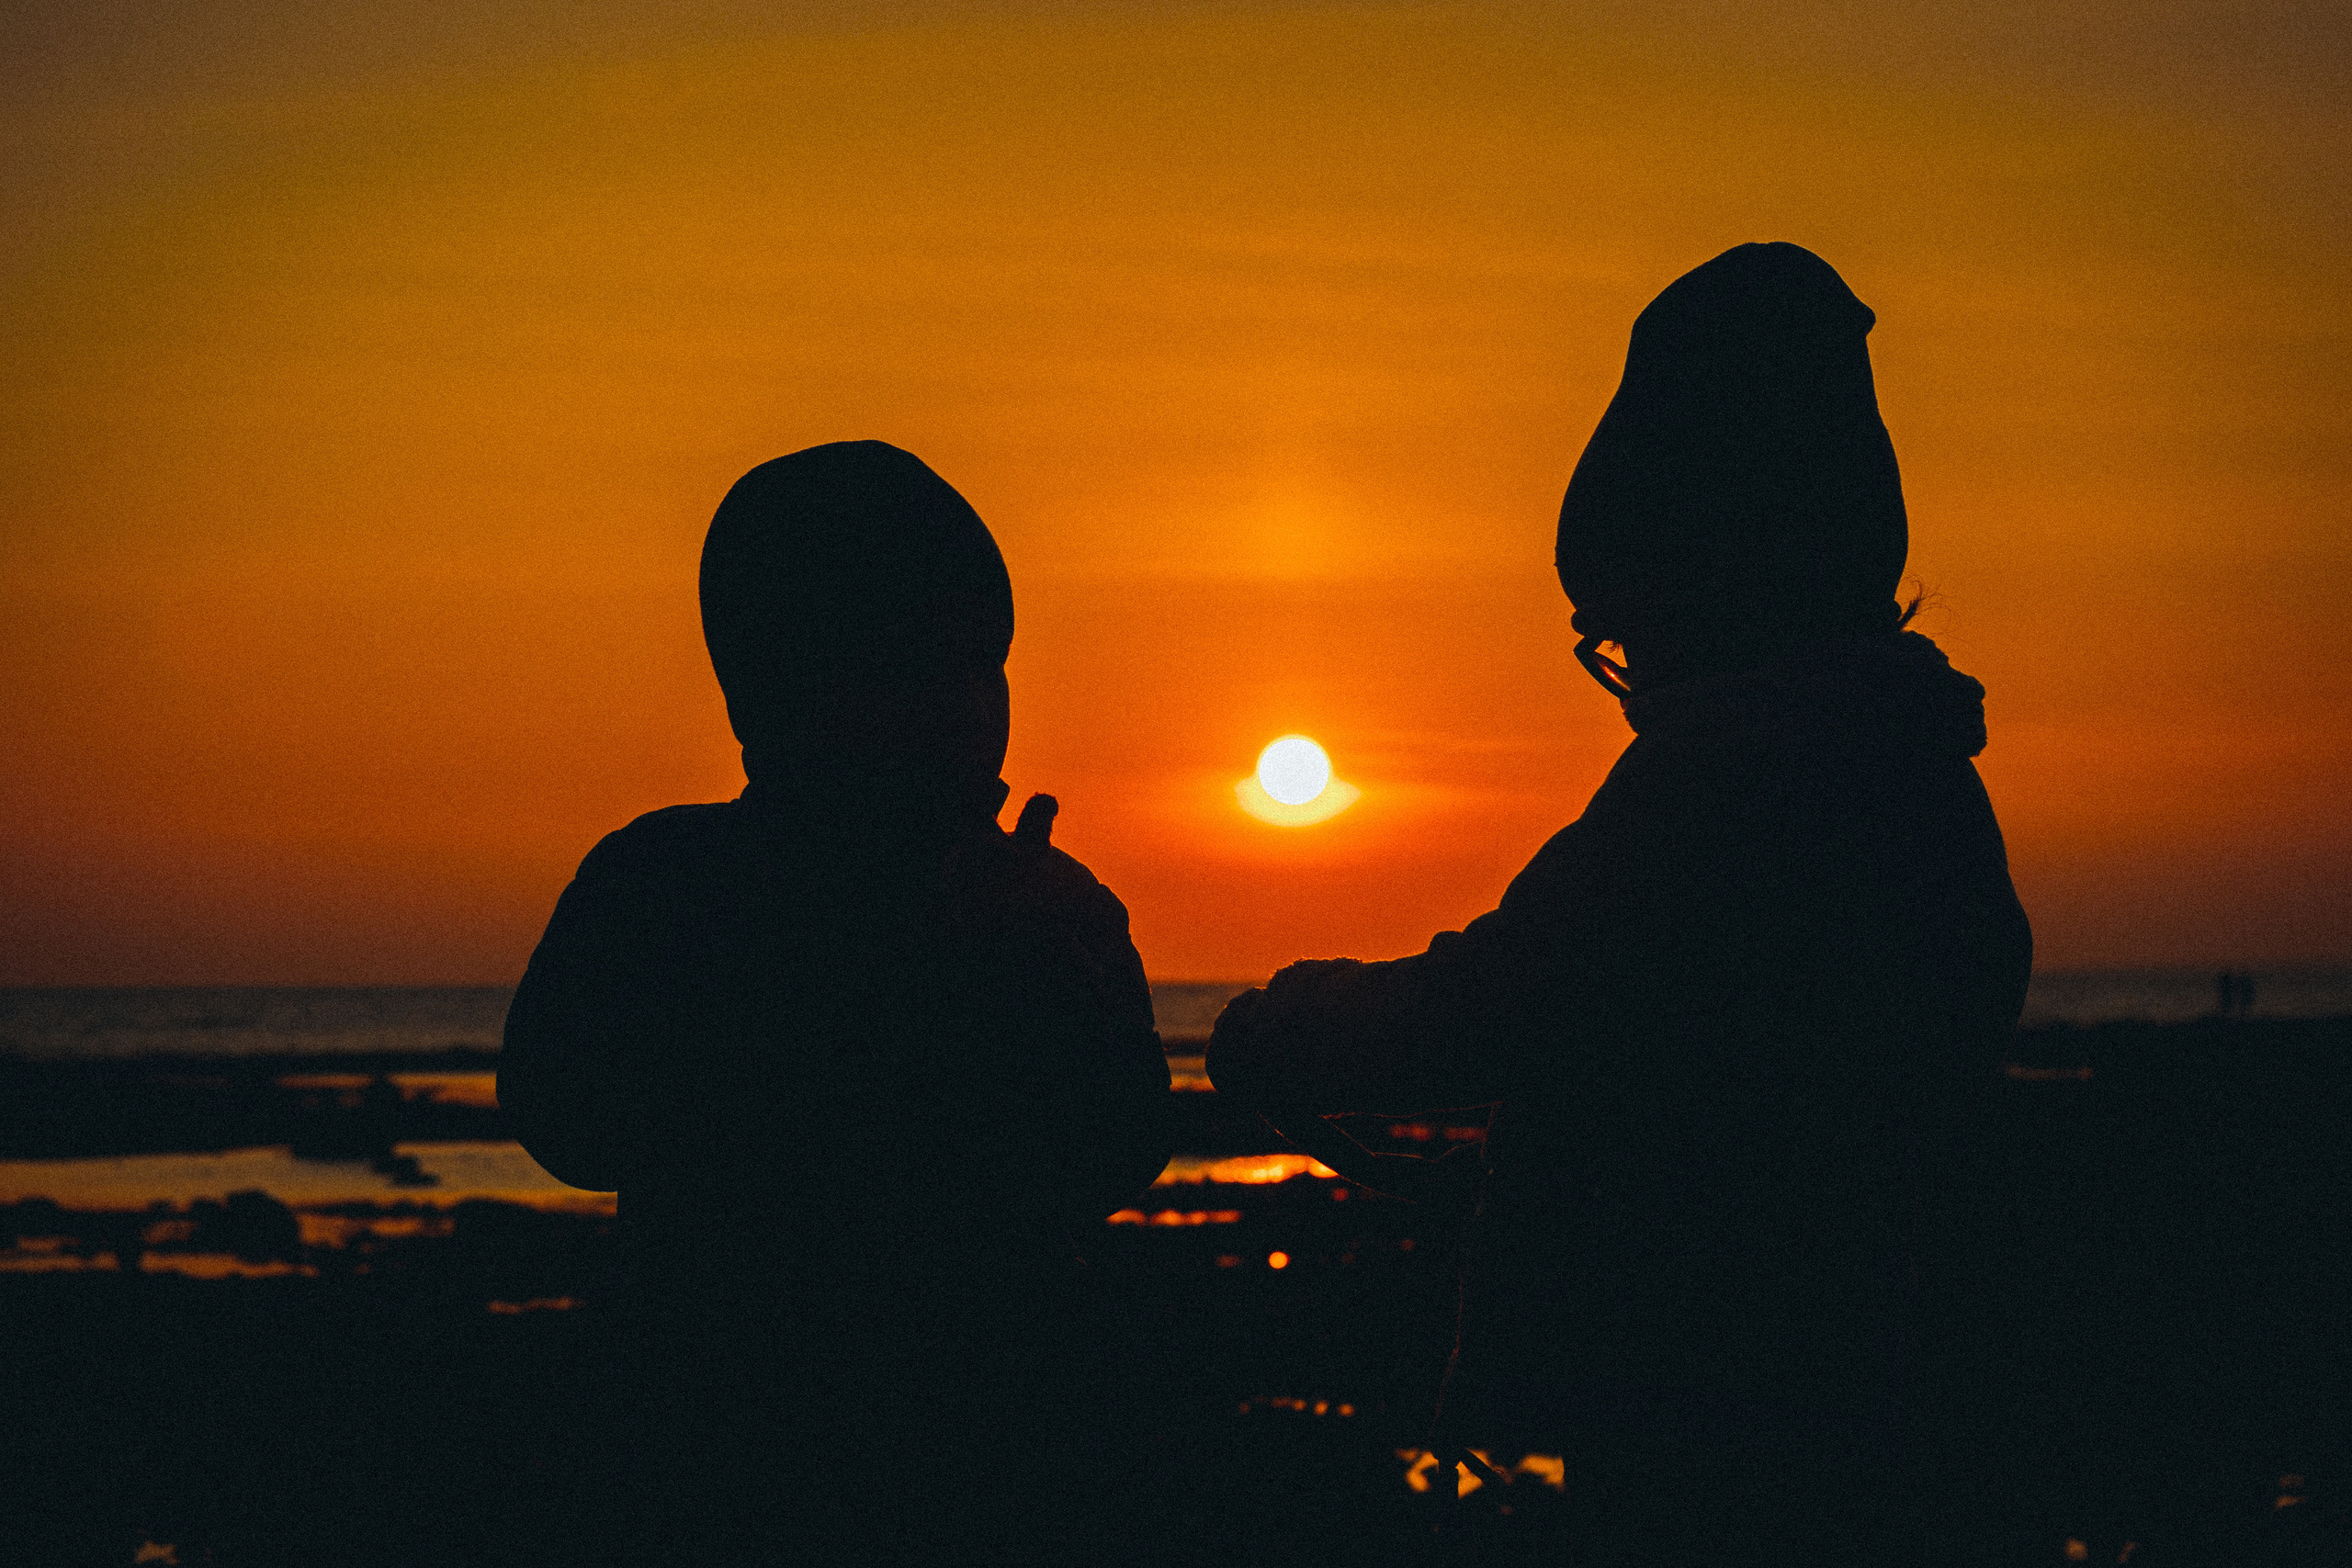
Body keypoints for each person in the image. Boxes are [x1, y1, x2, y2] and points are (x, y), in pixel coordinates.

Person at [1207, 243, 2032, 1564]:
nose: (1632, 681)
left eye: (1628, 641)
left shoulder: (1725, 775)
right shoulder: (1922, 777)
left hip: (1721, 1423)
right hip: (1893, 1392)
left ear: (1702, 581)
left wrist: (1292, 1022)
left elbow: (1505, 997)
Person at [499, 441, 1174, 1563]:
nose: (963, 707)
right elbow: (565, 1112)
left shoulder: (1044, 905)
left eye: (981, 664)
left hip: (988, 1438)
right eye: (910, 669)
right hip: (726, 1435)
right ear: (774, 690)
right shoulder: (664, 882)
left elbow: (1118, 1141)